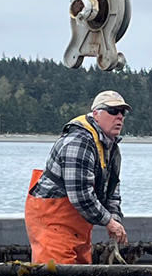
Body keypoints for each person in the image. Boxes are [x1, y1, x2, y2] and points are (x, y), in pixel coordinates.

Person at [25, 89, 129, 263]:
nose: (119, 116)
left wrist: (115, 219)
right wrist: (109, 222)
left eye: (122, 112)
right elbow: (80, 195)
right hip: (54, 224)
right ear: (96, 113)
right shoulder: (79, 141)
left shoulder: (111, 149)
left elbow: (112, 190)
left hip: (78, 227)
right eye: (113, 111)